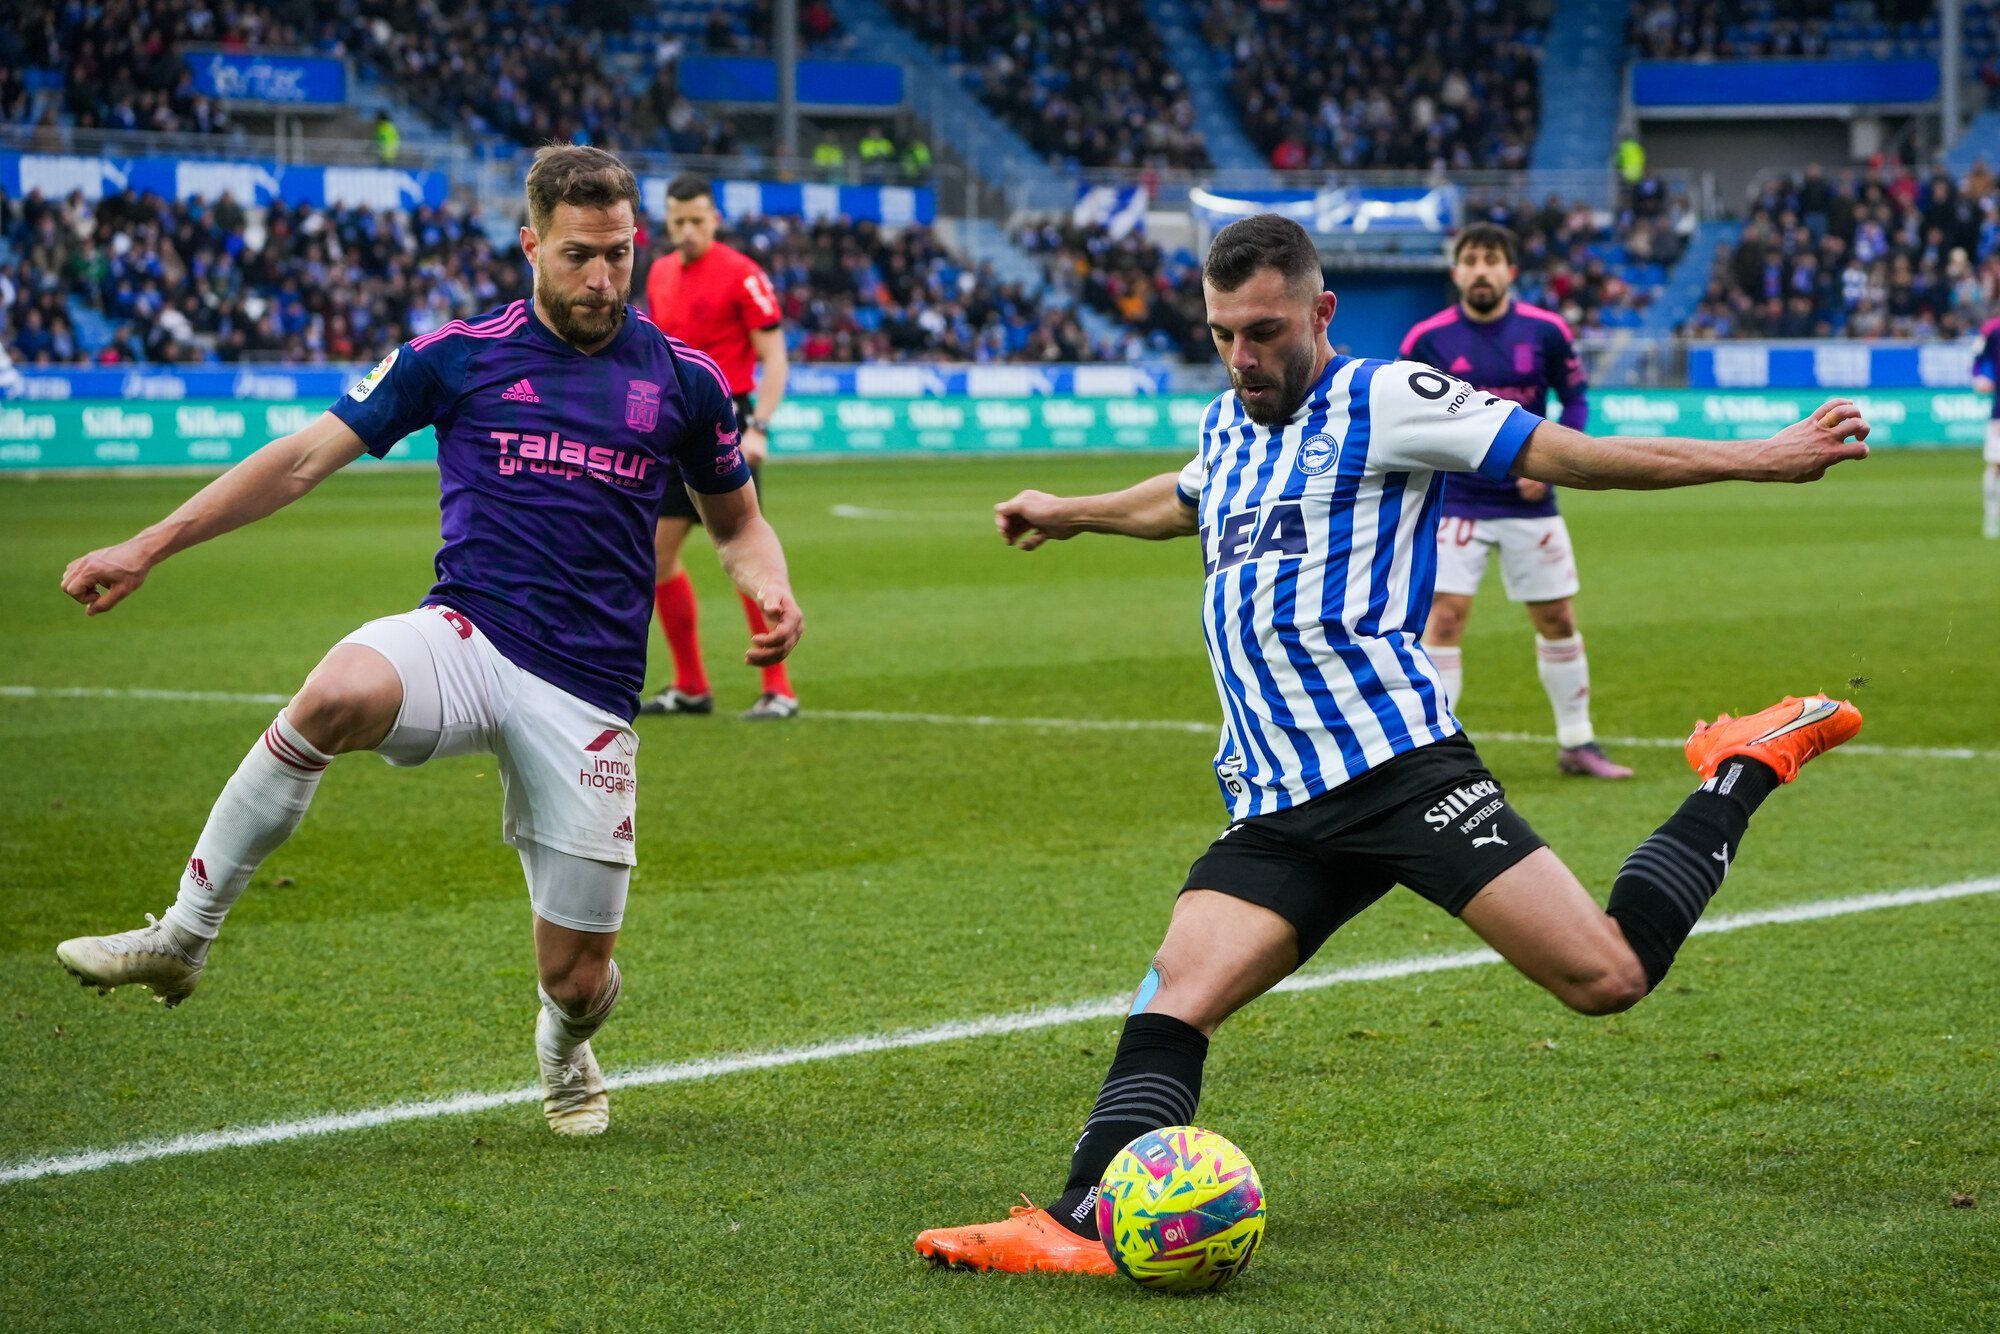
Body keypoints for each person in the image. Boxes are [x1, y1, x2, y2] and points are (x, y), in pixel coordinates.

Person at [912, 213, 1867, 1275]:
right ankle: (1078, 1219)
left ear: (1319, 313)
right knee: (1174, 994)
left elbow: (1576, 453)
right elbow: (1183, 497)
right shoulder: (1227, 424)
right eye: (1222, 332)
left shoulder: (1388, 396)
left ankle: (1745, 761)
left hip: (1398, 770)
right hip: (1276, 801)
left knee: (1607, 975)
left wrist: (1763, 457)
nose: (1242, 356)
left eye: (1264, 331)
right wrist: (1072, 509)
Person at [52, 145, 803, 1138]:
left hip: (586, 689)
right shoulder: (458, 353)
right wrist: (150, 543)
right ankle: (182, 937)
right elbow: (298, 461)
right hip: (467, 632)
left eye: (618, 255)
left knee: (578, 976)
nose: (603, 278)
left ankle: (564, 1036)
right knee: (333, 693)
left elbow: (736, 521)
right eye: (580, 254)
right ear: (530, 242)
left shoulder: (683, 379)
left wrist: (770, 585)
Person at [1403, 222, 1630, 778]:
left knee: (1556, 617)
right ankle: (1435, 756)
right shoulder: (1425, 340)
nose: (1481, 270)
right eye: (1471, 260)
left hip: (1531, 503)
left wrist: (1552, 468)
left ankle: (1577, 742)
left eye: (1492, 259)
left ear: (1510, 271)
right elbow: (1406, 415)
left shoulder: (1547, 331)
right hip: (1457, 502)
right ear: (1456, 273)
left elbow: (1574, 400)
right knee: (1447, 619)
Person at [641, 174, 797, 718]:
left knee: (746, 556)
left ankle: (778, 688)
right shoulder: (659, 273)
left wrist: (761, 426)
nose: (687, 231)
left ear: (715, 219)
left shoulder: (743, 275)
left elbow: (775, 357)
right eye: (677, 221)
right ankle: (691, 686)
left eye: (697, 220)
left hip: (727, 425)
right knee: (656, 554)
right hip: (671, 429)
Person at [1972, 311, 2000, 539]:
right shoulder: (1993, 330)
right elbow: (1977, 357)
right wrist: (1979, 377)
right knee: (1996, 465)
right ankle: (1991, 519)